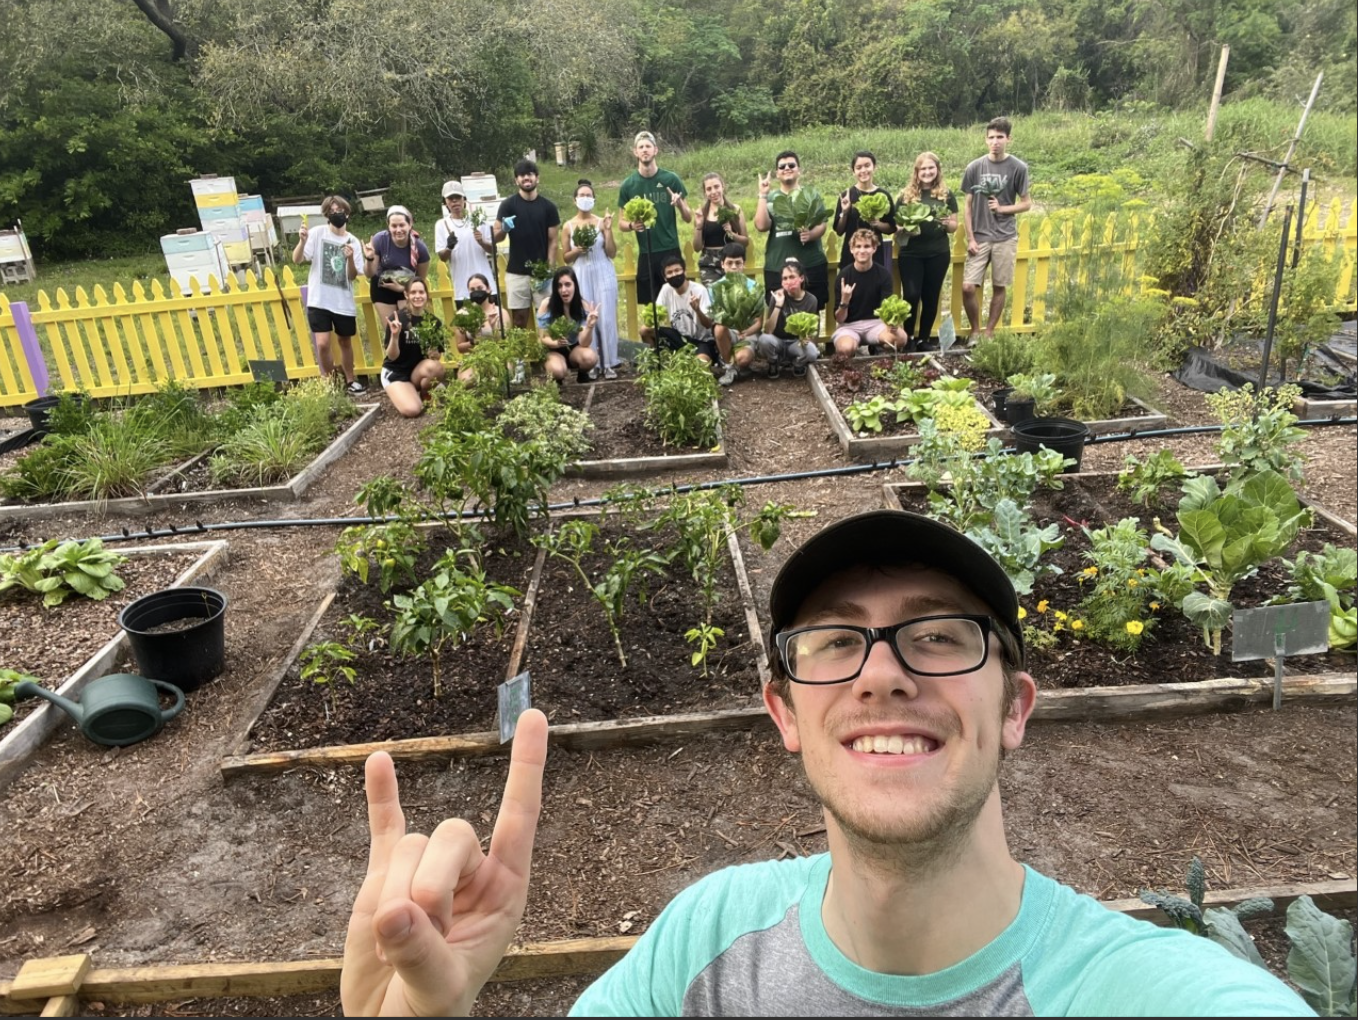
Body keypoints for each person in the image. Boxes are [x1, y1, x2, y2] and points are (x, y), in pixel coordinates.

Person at [341, 508, 1313, 1017]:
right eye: (835, 643)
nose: (882, 676)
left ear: (1014, 709)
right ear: (783, 711)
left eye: (938, 637)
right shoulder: (702, 946)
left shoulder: (1135, 992)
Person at [961, 117, 1031, 341]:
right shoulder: (975, 167)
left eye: (1000, 137)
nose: (995, 142)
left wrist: (1003, 208)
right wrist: (971, 238)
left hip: (1005, 237)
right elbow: (968, 206)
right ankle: (974, 330)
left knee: (999, 286)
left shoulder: (1018, 168)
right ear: (985, 140)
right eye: (991, 137)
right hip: (980, 236)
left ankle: (989, 332)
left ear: (1008, 139)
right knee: (968, 287)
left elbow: (1026, 203)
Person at [292, 195, 366, 394]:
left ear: (347, 213)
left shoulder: (353, 241)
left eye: (339, 210)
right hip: (319, 301)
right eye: (332, 212)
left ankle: (350, 380)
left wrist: (350, 259)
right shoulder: (317, 234)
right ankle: (330, 381)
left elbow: (352, 276)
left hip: (343, 302)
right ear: (327, 215)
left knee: (345, 341)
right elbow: (297, 259)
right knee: (323, 344)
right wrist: (301, 241)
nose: (336, 214)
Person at [618, 131, 692, 310]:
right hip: (647, 252)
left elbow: (688, 217)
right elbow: (620, 223)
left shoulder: (670, 179)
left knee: (678, 302)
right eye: (641, 147)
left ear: (655, 150)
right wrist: (631, 225)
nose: (645, 150)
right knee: (650, 308)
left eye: (648, 146)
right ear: (635, 152)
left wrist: (679, 204)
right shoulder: (628, 185)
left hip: (670, 249)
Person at [638, 254, 735, 386]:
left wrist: (697, 310)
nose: (674, 275)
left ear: (685, 271)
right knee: (645, 330)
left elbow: (708, 324)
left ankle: (693, 364)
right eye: (670, 273)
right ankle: (657, 366)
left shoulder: (699, 290)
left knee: (700, 366)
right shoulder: (666, 289)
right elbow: (657, 314)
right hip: (679, 337)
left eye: (677, 270)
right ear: (665, 278)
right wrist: (650, 316)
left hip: (701, 341)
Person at [897, 151, 960, 348]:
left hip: (938, 253)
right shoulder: (905, 196)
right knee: (911, 295)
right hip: (911, 254)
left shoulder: (947, 196)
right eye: (923, 168)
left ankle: (923, 338)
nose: (927, 172)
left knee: (931, 296)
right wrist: (906, 227)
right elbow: (896, 228)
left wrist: (946, 223)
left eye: (931, 168)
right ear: (916, 172)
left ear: (938, 170)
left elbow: (953, 227)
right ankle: (907, 338)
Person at [753, 150, 829, 310]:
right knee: (779, 313)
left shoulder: (810, 194)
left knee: (811, 313)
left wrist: (811, 234)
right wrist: (762, 194)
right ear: (777, 173)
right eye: (782, 166)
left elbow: (822, 224)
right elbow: (761, 226)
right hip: (777, 266)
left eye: (791, 165)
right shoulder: (771, 198)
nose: (787, 168)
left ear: (799, 170)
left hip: (810, 264)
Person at [561, 180, 621, 379]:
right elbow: (566, 257)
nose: (585, 199)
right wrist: (577, 250)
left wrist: (608, 229)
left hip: (603, 270)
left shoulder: (600, 222)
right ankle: (593, 362)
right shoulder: (568, 226)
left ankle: (609, 362)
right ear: (575, 199)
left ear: (594, 199)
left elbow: (612, 252)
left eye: (589, 195)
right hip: (581, 273)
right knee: (587, 318)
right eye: (582, 195)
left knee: (606, 317)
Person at [494, 159, 560, 330]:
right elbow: (496, 237)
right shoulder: (508, 206)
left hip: (541, 273)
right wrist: (503, 229)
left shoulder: (549, 207)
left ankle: (549, 355)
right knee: (519, 320)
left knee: (546, 320)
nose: (526, 178)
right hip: (516, 272)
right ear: (516, 180)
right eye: (522, 175)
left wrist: (548, 270)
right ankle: (520, 356)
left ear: (537, 178)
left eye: (530, 174)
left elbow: (553, 241)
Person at [830, 229, 908, 359]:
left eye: (866, 246)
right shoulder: (843, 276)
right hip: (850, 326)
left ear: (874, 249)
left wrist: (892, 325)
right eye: (858, 246)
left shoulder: (883, 275)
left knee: (901, 339)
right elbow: (839, 319)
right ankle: (853, 353)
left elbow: (886, 308)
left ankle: (877, 346)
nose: (862, 250)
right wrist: (845, 301)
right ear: (851, 250)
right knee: (845, 349)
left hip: (876, 323)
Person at [380, 277, 446, 418]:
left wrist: (433, 352)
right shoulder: (397, 319)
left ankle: (424, 393)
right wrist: (395, 335)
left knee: (437, 368)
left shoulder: (434, 322)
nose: (417, 296)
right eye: (413, 292)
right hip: (396, 371)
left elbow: (437, 358)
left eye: (421, 292)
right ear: (406, 295)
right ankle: (404, 392)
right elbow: (392, 356)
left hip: (416, 372)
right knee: (413, 410)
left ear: (426, 295)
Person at [363, 206, 431, 330]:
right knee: (392, 330)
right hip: (382, 288)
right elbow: (369, 273)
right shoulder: (380, 240)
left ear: (410, 224)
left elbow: (420, 280)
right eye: (394, 226)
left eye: (402, 225)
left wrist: (402, 289)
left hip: (405, 288)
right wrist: (369, 258)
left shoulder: (420, 248)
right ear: (388, 226)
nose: (398, 230)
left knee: (409, 330)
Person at [755, 258, 820, 379]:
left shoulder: (811, 300)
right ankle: (773, 362)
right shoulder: (777, 296)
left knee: (812, 352)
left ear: (801, 278)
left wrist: (807, 339)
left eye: (792, 277)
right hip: (777, 341)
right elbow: (768, 330)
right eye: (785, 278)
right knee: (764, 340)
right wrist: (778, 305)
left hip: (796, 343)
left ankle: (797, 363)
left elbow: (813, 332)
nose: (788, 281)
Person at [832, 150, 895, 274]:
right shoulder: (847, 195)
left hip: (875, 253)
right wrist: (845, 212)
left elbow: (891, 227)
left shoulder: (883, 195)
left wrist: (878, 224)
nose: (863, 170)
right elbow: (839, 231)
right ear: (853, 171)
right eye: (859, 167)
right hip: (851, 254)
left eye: (867, 165)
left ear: (874, 167)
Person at [434, 181, 497, 301]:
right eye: (450, 198)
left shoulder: (479, 220)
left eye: (457, 197)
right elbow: (442, 257)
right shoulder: (441, 225)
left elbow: (494, 250)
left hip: (486, 286)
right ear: (445, 202)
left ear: (464, 199)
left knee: (492, 319)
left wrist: (482, 242)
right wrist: (449, 247)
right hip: (463, 290)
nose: (454, 201)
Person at [537, 266, 600, 384]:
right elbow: (543, 338)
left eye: (567, 284)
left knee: (591, 357)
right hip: (553, 349)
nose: (563, 290)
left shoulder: (582, 305)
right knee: (557, 370)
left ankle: (582, 374)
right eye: (559, 286)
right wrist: (556, 343)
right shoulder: (547, 305)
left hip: (574, 349)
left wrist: (590, 326)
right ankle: (557, 378)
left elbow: (584, 343)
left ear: (575, 285)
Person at [707, 242, 759, 380]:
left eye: (738, 263)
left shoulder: (754, 287)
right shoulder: (715, 288)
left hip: (747, 332)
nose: (734, 267)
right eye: (730, 263)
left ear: (744, 264)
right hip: (728, 331)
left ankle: (740, 362)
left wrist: (747, 331)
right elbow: (715, 316)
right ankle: (728, 366)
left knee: (743, 359)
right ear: (722, 265)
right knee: (719, 328)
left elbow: (758, 320)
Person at [692, 172, 750, 286]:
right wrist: (699, 226)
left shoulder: (735, 209)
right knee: (714, 295)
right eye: (709, 189)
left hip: (732, 260)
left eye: (716, 186)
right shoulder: (702, 213)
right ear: (705, 192)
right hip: (710, 263)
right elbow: (697, 248)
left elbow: (745, 241)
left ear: (723, 186)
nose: (713, 192)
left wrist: (732, 233)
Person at [453, 273, 502, 388]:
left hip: (496, 357)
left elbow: (505, 343)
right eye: (472, 289)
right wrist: (474, 341)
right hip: (473, 358)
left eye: (480, 288)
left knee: (498, 382)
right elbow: (460, 347)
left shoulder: (499, 313)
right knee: (467, 381)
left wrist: (491, 326)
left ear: (488, 289)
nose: (476, 292)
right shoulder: (462, 314)